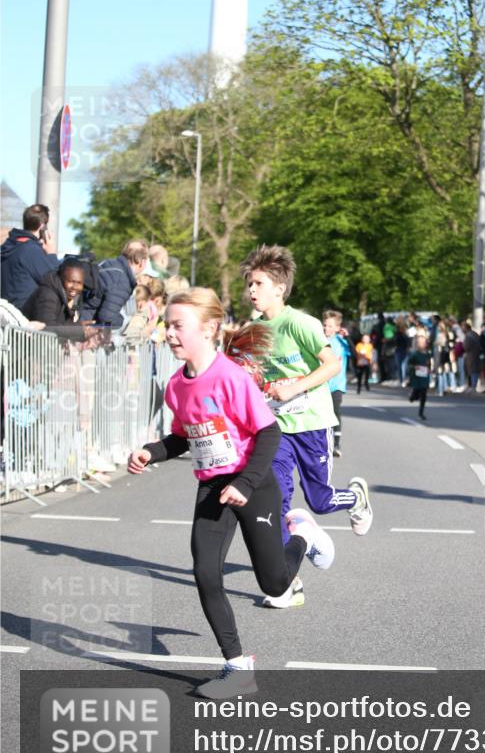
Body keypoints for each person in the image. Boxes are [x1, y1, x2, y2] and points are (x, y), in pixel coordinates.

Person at [127, 287, 335, 698]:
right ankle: (237, 666)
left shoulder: (231, 378)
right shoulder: (175, 385)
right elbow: (183, 438)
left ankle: (303, 535)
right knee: (205, 572)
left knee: (275, 586)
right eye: (167, 325)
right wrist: (150, 452)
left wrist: (244, 483)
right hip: (212, 487)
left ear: (208, 329)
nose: (169, 333)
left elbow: (269, 433)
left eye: (177, 325)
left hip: (253, 483)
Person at [241, 244, 373, 610]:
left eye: (258, 283)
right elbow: (257, 374)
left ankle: (357, 498)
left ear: (279, 288)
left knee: (320, 499)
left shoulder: (300, 323)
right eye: (249, 284)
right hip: (278, 427)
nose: (251, 290)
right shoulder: (254, 329)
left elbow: (331, 366)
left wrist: (295, 386)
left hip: (313, 423)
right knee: (277, 499)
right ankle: (288, 583)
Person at [0, 204, 59, 310]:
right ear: (42, 226)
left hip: (5, 315)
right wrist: (51, 255)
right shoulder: (31, 250)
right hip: (25, 317)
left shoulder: (5, 246)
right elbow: (56, 281)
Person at [22, 261, 96, 343]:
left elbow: (71, 321)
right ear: (61, 279)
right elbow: (46, 326)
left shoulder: (76, 297)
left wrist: (83, 329)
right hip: (26, 346)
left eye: (79, 283)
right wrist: (78, 331)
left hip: (47, 347)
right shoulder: (48, 293)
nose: (75, 287)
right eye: (70, 281)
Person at [81, 240, 149, 329]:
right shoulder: (122, 281)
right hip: (83, 325)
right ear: (142, 262)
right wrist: (123, 320)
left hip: (77, 316)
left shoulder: (109, 263)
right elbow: (106, 318)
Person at [322, 310, 350, 457]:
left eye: (330, 326)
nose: (326, 328)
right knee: (322, 415)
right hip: (321, 385)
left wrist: (348, 336)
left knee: (336, 412)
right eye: (325, 325)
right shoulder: (319, 340)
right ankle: (323, 443)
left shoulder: (341, 341)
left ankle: (337, 444)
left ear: (338, 328)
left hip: (337, 384)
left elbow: (354, 351)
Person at [407, 333, 431, 420]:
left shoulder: (428, 354)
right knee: (416, 394)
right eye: (420, 342)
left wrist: (430, 369)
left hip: (424, 377)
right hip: (416, 378)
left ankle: (421, 413)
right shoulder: (415, 354)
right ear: (417, 344)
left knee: (423, 396)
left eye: (424, 342)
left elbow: (429, 364)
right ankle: (412, 397)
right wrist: (414, 367)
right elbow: (409, 364)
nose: (422, 344)